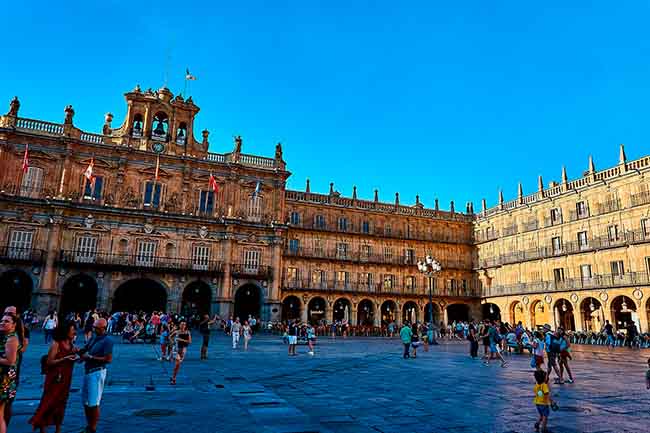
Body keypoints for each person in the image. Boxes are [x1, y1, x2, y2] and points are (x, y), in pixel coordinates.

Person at [29, 321, 78, 433]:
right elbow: (49, 361)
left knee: (61, 402)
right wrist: (65, 359)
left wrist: (77, 356)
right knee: (49, 401)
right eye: (72, 330)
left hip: (66, 377)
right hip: (55, 377)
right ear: (65, 331)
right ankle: (41, 427)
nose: (74, 332)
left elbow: (74, 356)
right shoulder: (56, 343)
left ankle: (58, 428)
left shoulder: (71, 344)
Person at [78, 318, 113, 433]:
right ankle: (89, 425)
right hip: (88, 371)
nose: (94, 329)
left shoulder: (108, 340)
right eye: (94, 327)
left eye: (96, 328)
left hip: (97, 372)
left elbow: (108, 359)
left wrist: (91, 357)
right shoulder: (94, 337)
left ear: (103, 328)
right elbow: (84, 349)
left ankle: (93, 428)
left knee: (94, 402)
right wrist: (75, 353)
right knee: (86, 402)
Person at [0, 313, 19, 433]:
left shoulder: (12, 339)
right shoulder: (6, 336)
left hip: (4, 380)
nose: (2, 323)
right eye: (1, 320)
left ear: (14, 325)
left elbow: (10, 361)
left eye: (6, 321)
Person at [171, 321, 191, 385]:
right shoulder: (176, 332)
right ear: (179, 325)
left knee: (178, 365)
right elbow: (170, 337)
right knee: (178, 363)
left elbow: (189, 341)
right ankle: (174, 379)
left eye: (184, 324)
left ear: (185, 326)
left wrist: (180, 339)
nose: (183, 326)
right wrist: (172, 342)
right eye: (181, 324)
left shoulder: (187, 332)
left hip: (183, 349)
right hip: (176, 349)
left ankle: (173, 376)